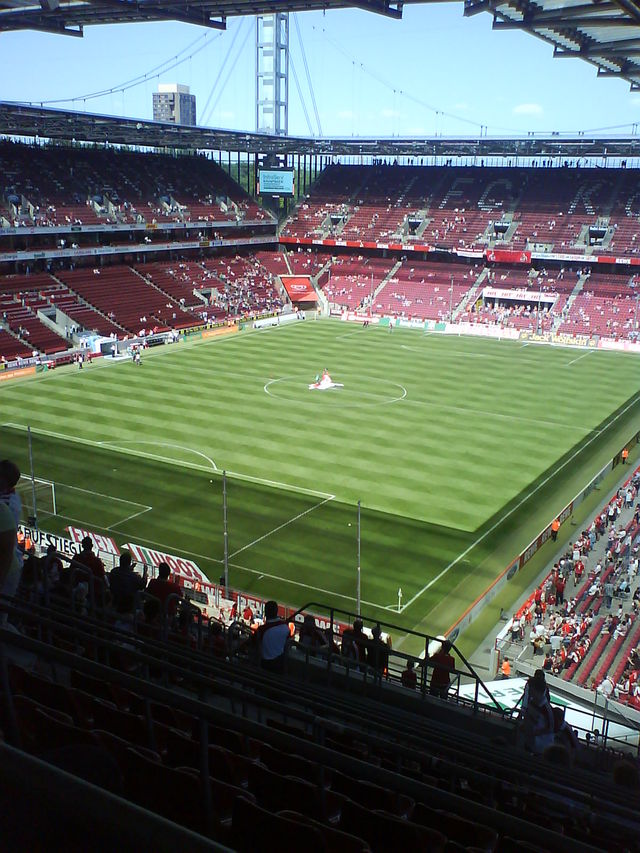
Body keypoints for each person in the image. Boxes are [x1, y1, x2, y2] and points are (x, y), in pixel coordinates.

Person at [519, 669, 554, 754]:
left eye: (531, 690)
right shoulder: (532, 703)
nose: (529, 691)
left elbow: (549, 728)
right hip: (530, 743)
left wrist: (534, 733)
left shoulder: (546, 709)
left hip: (540, 748)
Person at [254, 599, 291, 673]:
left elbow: (253, 644)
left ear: (265, 613)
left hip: (265, 664)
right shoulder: (285, 627)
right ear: (277, 612)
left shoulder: (262, 630)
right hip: (281, 663)